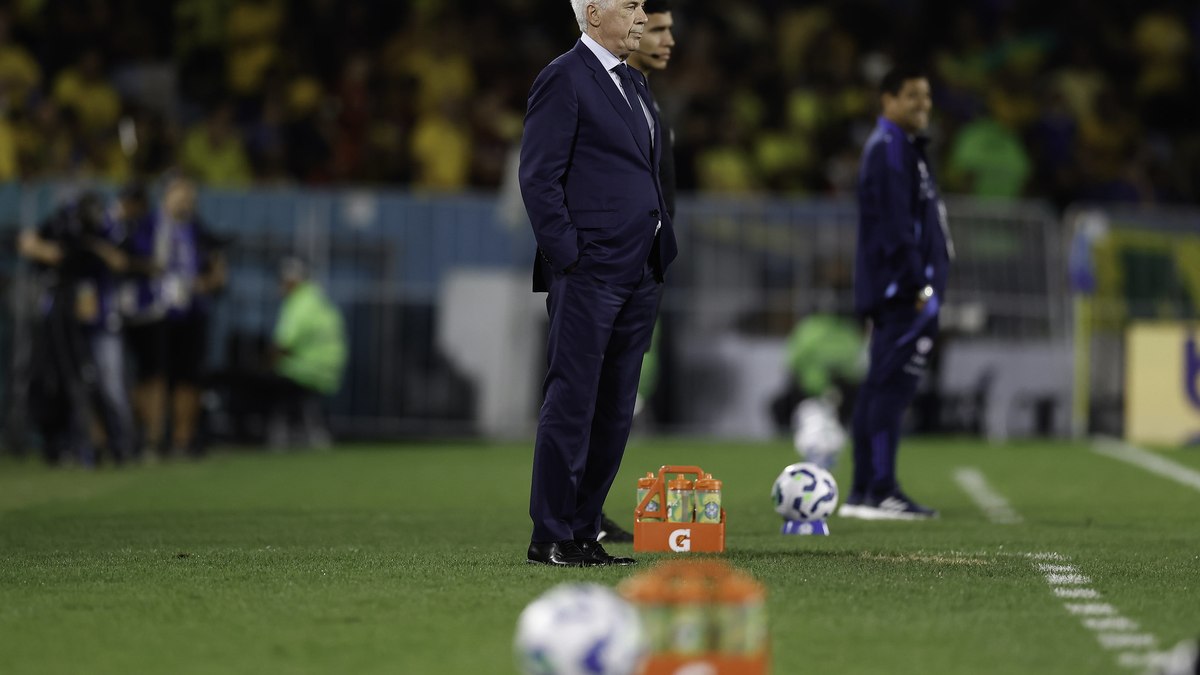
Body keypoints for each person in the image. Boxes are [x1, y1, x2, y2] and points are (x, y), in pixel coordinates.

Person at [519, 0, 677, 566]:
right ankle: (551, 534)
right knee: (573, 399)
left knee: (614, 407)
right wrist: (571, 257)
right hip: (592, 272)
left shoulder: (631, 82)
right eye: (630, 5)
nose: (641, 15)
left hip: (640, 270)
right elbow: (539, 177)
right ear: (592, 16)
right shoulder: (563, 78)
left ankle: (584, 530)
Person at [842, 66, 953, 520]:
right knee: (891, 390)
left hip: (901, 289)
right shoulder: (889, 150)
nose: (922, 106)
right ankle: (879, 490)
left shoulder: (901, 149)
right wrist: (918, 283)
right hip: (903, 292)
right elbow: (895, 226)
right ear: (888, 100)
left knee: (880, 387)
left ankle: (864, 491)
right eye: (912, 96)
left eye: (926, 97)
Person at [600, 0, 676, 544]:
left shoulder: (647, 100)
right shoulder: (610, 95)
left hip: (642, 267)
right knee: (589, 391)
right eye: (659, 30)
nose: (668, 40)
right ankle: (575, 514)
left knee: (617, 396)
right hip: (605, 268)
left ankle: (589, 509)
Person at [18, 192, 134, 466]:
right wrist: (51, 251)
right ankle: (70, 443)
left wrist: (91, 246)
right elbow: (29, 243)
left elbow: (120, 260)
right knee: (60, 378)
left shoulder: (105, 232)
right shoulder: (62, 228)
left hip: (95, 317)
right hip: (62, 311)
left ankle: (113, 443)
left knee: (96, 382)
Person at [266, 257, 347, 450]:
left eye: (282, 281)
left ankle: (280, 437)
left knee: (268, 382)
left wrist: (265, 361)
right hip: (329, 370)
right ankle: (311, 431)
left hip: (306, 370)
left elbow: (284, 344)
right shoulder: (320, 301)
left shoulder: (298, 303)